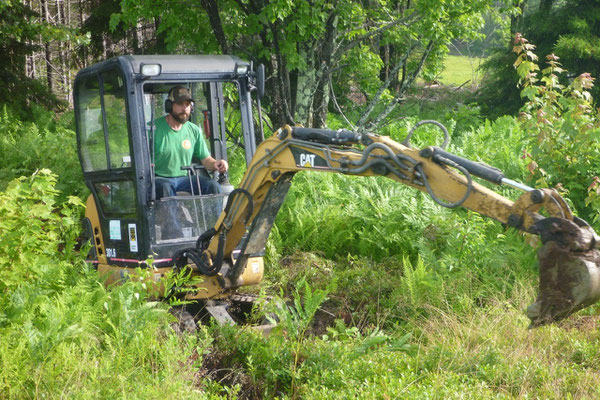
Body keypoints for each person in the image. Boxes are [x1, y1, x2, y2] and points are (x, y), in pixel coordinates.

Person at [153, 85, 228, 199]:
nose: (184, 108)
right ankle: (175, 218)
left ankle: (216, 217)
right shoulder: (153, 129)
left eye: (187, 105)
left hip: (185, 178)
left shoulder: (193, 130)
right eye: (180, 104)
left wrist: (216, 164)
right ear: (169, 106)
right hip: (160, 178)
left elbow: (206, 159)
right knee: (165, 188)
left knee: (212, 185)